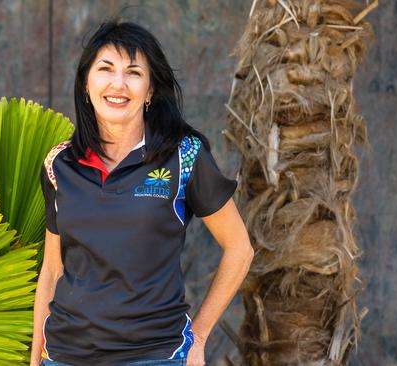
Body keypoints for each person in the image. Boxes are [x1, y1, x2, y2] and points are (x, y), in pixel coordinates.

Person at [31, 20, 253, 366]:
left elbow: (239, 249)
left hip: (155, 356)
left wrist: (200, 336)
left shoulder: (185, 156)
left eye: (133, 72)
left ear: (150, 91)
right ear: (86, 84)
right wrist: (35, 359)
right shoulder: (59, 164)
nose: (118, 84)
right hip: (65, 356)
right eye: (106, 69)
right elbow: (52, 271)